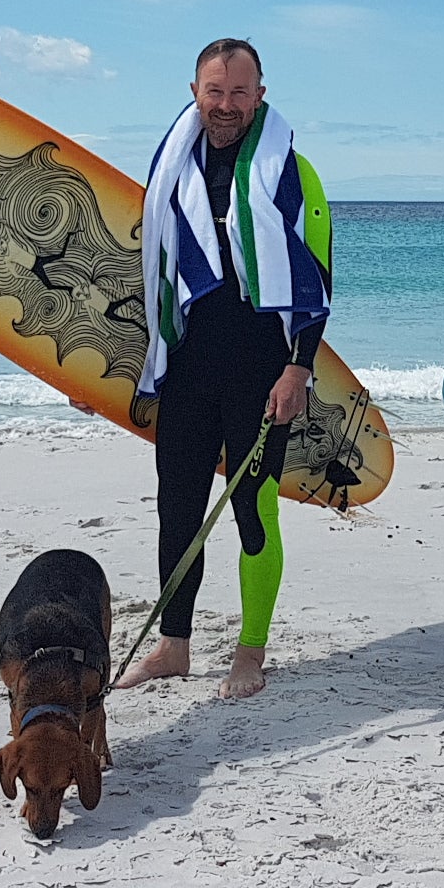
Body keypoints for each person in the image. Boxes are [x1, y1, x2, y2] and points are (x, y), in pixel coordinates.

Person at [117, 38, 332, 701]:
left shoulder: (293, 173)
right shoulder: (169, 172)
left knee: (252, 510)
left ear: (260, 95)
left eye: (241, 92)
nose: (227, 105)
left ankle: (251, 650)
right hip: (186, 367)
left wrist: (297, 371)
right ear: (195, 93)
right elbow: (148, 277)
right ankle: (173, 645)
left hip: (260, 369)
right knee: (177, 508)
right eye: (216, 91)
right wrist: (117, 366)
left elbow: (318, 282)